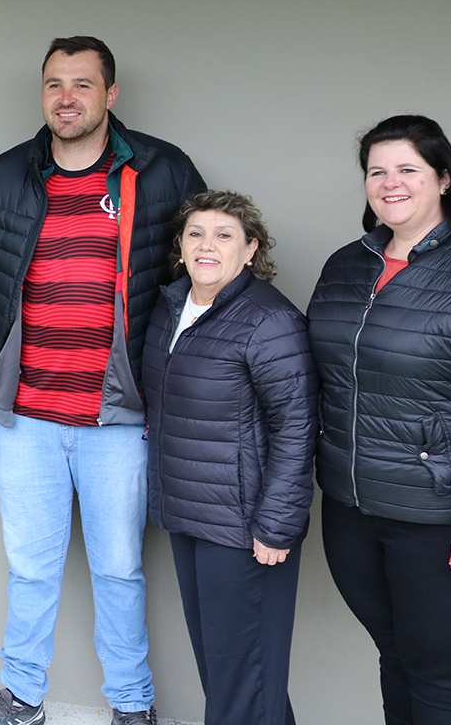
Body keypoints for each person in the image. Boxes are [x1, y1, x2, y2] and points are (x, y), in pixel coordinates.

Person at [0, 37, 203, 725]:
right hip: (27, 417)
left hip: (120, 420)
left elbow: (200, 277)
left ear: (110, 95)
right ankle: (22, 697)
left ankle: (132, 706)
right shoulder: (6, 177)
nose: (66, 97)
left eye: (83, 84)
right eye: (55, 84)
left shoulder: (163, 171)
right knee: (31, 570)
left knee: (118, 572)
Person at [307, 114, 451, 725]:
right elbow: (321, 382)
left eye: (408, 169)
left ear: (442, 178)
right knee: (400, 661)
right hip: (357, 512)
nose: (391, 183)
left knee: (450, 686)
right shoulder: (346, 267)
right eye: (377, 171)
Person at [141, 191, 316, 725]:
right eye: (195, 233)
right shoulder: (172, 305)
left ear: (250, 250)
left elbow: (297, 426)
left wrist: (277, 525)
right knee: (230, 672)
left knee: (244, 674)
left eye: (224, 235)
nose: (207, 245)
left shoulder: (268, 319)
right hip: (189, 512)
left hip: (246, 525)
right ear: (180, 245)